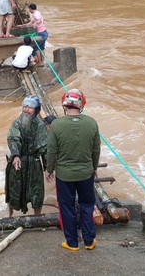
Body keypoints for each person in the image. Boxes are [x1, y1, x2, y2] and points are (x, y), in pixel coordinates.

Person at [46, 89, 101, 252]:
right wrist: (94, 168)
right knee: (87, 205)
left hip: (64, 175)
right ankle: (89, 241)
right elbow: (96, 149)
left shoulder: (56, 125)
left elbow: (52, 150)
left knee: (67, 207)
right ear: (81, 104)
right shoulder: (92, 123)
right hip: (86, 173)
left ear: (64, 105)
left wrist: (49, 169)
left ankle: (72, 243)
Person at [5, 95, 48, 217]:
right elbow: (13, 138)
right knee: (13, 188)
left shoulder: (40, 126)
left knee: (37, 191)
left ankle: (37, 217)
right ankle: (9, 215)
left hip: (34, 163)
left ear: (36, 110)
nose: (26, 110)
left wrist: (48, 168)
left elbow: (44, 147)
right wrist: (16, 155)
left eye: (30, 107)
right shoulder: (17, 123)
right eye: (25, 106)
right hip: (17, 161)